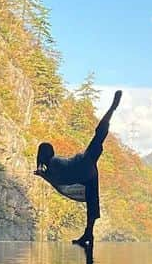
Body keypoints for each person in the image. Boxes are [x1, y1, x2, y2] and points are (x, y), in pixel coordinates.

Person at [35, 89, 122, 247]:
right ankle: (88, 234)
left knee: (99, 135)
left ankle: (112, 108)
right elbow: (58, 178)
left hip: (83, 166)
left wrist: (43, 176)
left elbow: (57, 180)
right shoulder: (53, 162)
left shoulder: (53, 163)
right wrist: (44, 175)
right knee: (99, 135)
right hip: (87, 169)